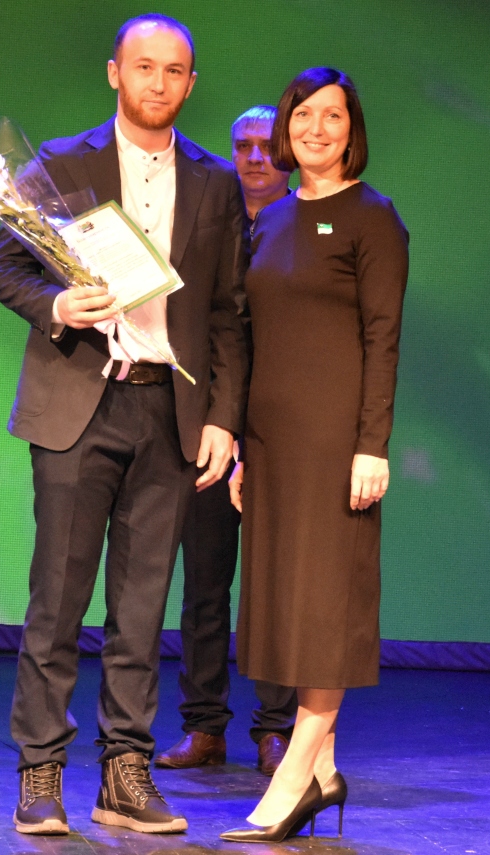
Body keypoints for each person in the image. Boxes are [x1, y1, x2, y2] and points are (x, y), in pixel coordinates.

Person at [0, 13, 247, 837]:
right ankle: (41, 770)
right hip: (78, 401)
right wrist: (60, 303)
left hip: (169, 410)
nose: (157, 82)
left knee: (141, 608)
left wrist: (223, 419)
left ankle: (126, 773)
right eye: (143, 66)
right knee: (58, 600)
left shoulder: (215, 182)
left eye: (174, 70)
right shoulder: (64, 163)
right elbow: (3, 266)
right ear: (114, 73)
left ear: (191, 84)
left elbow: (229, 313)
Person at [221, 68, 409, 843]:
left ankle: (295, 773)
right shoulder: (269, 218)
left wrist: (372, 445)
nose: (317, 129)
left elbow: (382, 339)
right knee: (288, 606)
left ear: (351, 128)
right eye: (304, 115)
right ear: (285, 128)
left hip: (337, 445)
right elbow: (249, 337)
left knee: (327, 606)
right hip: (272, 445)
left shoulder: (374, 218)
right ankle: (326, 771)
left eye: (333, 116)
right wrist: (240, 448)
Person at [156, 105, 296, 778]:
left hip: (281, 433)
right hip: (210, 427)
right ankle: (204, 725)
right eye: (243, 145)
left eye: (267, 146)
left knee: (275, 587)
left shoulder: (303, 227)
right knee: (205, 584)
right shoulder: (209, 219)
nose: (255, 157)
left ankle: (276, 728)